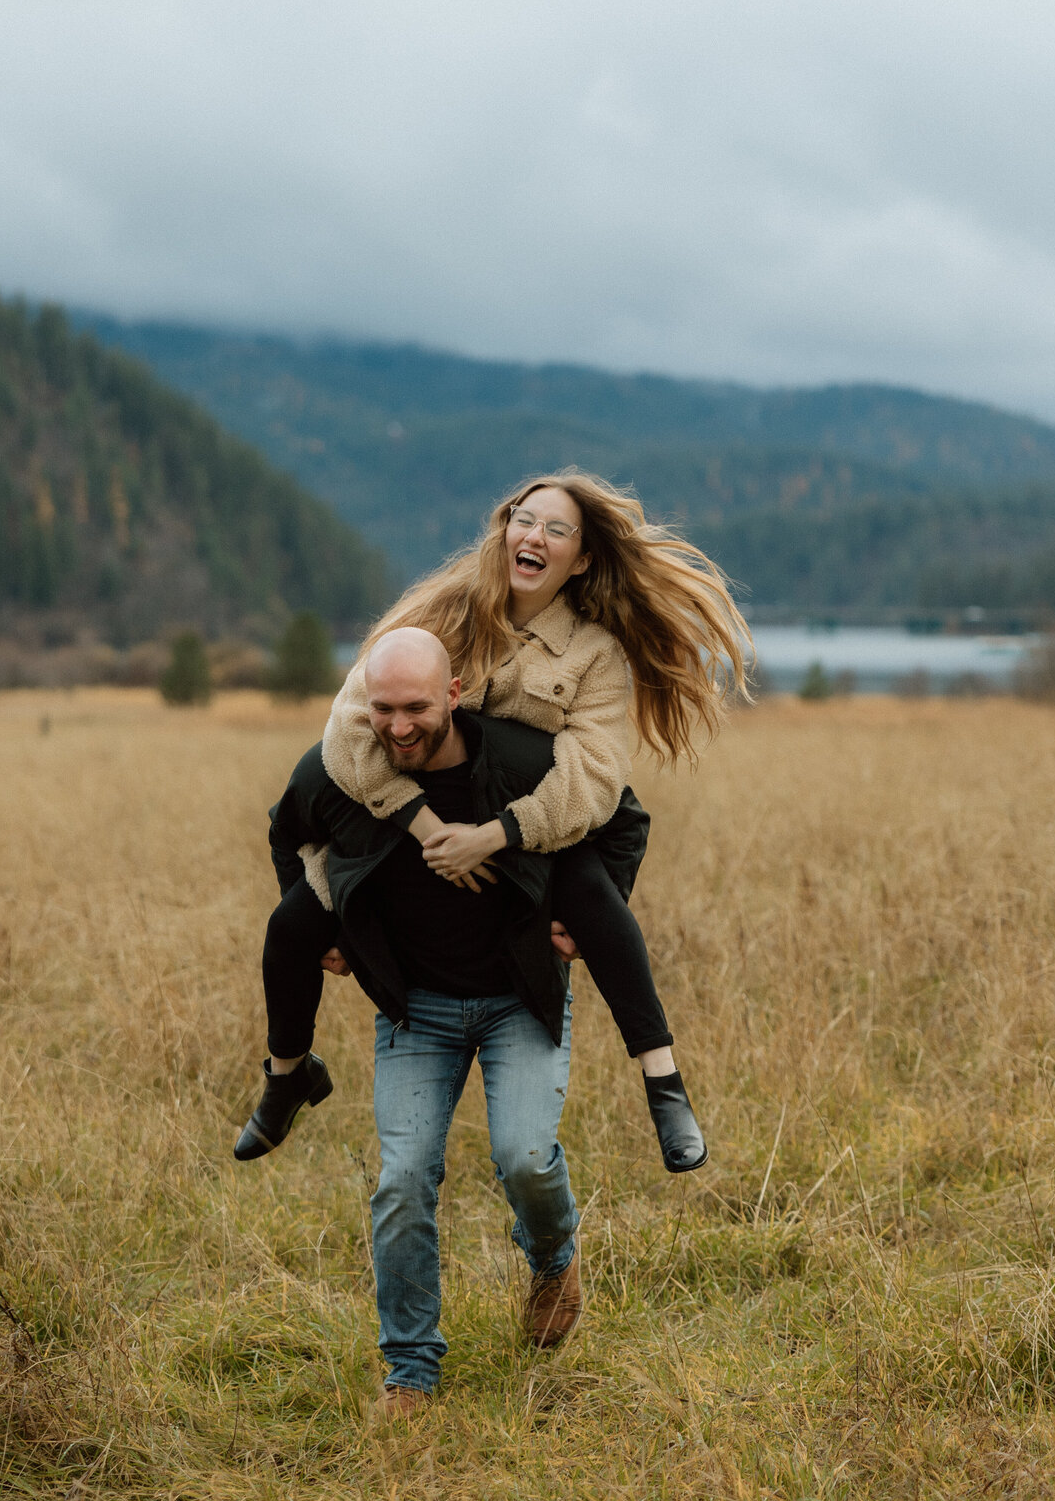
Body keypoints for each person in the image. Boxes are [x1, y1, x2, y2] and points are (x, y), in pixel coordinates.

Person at [240, 628, 649, 1412]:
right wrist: (320, 920)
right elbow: (285, 830)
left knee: (525, 1157)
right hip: (415, 1011)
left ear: (453, 695)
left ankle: (553, 1255)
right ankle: (411, 1370)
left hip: (517, 1001)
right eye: (383, 708)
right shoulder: (344, 769)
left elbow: (621, 819)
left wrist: (596, 917)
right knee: (402, 1180)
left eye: (417, 708)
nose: (399, 727)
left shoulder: (518, 759)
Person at [314, 470, 751, 1171]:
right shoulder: (444, 613)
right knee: (317, 793)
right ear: (505, 528)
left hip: (533, 831)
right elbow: (347, 729)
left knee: (587, 887)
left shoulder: (595, 654)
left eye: (556, 530)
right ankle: (289, 1060)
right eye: (524, 519)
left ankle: (663, 1080)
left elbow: (595, 780)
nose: (534, 536)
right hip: (431, 816)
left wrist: (497, 835)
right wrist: (424, 826)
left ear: (580, 558)